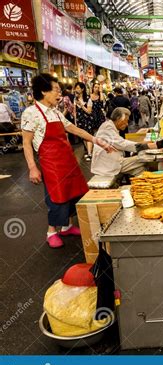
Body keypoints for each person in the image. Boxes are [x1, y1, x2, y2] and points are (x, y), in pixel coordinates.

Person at [21, 73, 114, 249]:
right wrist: (33, 168)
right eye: (56, 90)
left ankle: (67, 226)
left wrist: (97, 141)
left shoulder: (55, 112)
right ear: (43, 91)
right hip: (51, 163)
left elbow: (74, 129)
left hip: (68, 160)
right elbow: (26, 143)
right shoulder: (31, 113)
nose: (60, 94)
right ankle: (51, 232)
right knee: (57, 197)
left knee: (74, 192)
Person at [91, 107, 163, 177]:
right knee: (143, 159)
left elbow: (121, 142)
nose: (126, 124)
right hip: (108, 166)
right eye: (126, 121)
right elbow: (123, 144)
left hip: (112, 162)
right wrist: (154, 145)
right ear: (118, 119)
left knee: (140, 169)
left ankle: (143, 185)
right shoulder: (107, 128)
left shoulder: (109, 126)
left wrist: (144, 142)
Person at [74, 82, 94, 160]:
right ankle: (89, 152)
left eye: (78, 88)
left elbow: (89, 111)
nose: (76, 89)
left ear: (82, 89)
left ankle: (89, 153)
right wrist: (75, 122)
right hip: (80, 120)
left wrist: (81, 104)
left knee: (88, 136)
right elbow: (75, 111)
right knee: (83, 136)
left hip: (87, 120)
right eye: (76, 88)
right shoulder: (75, 99)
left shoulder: (88, 99)